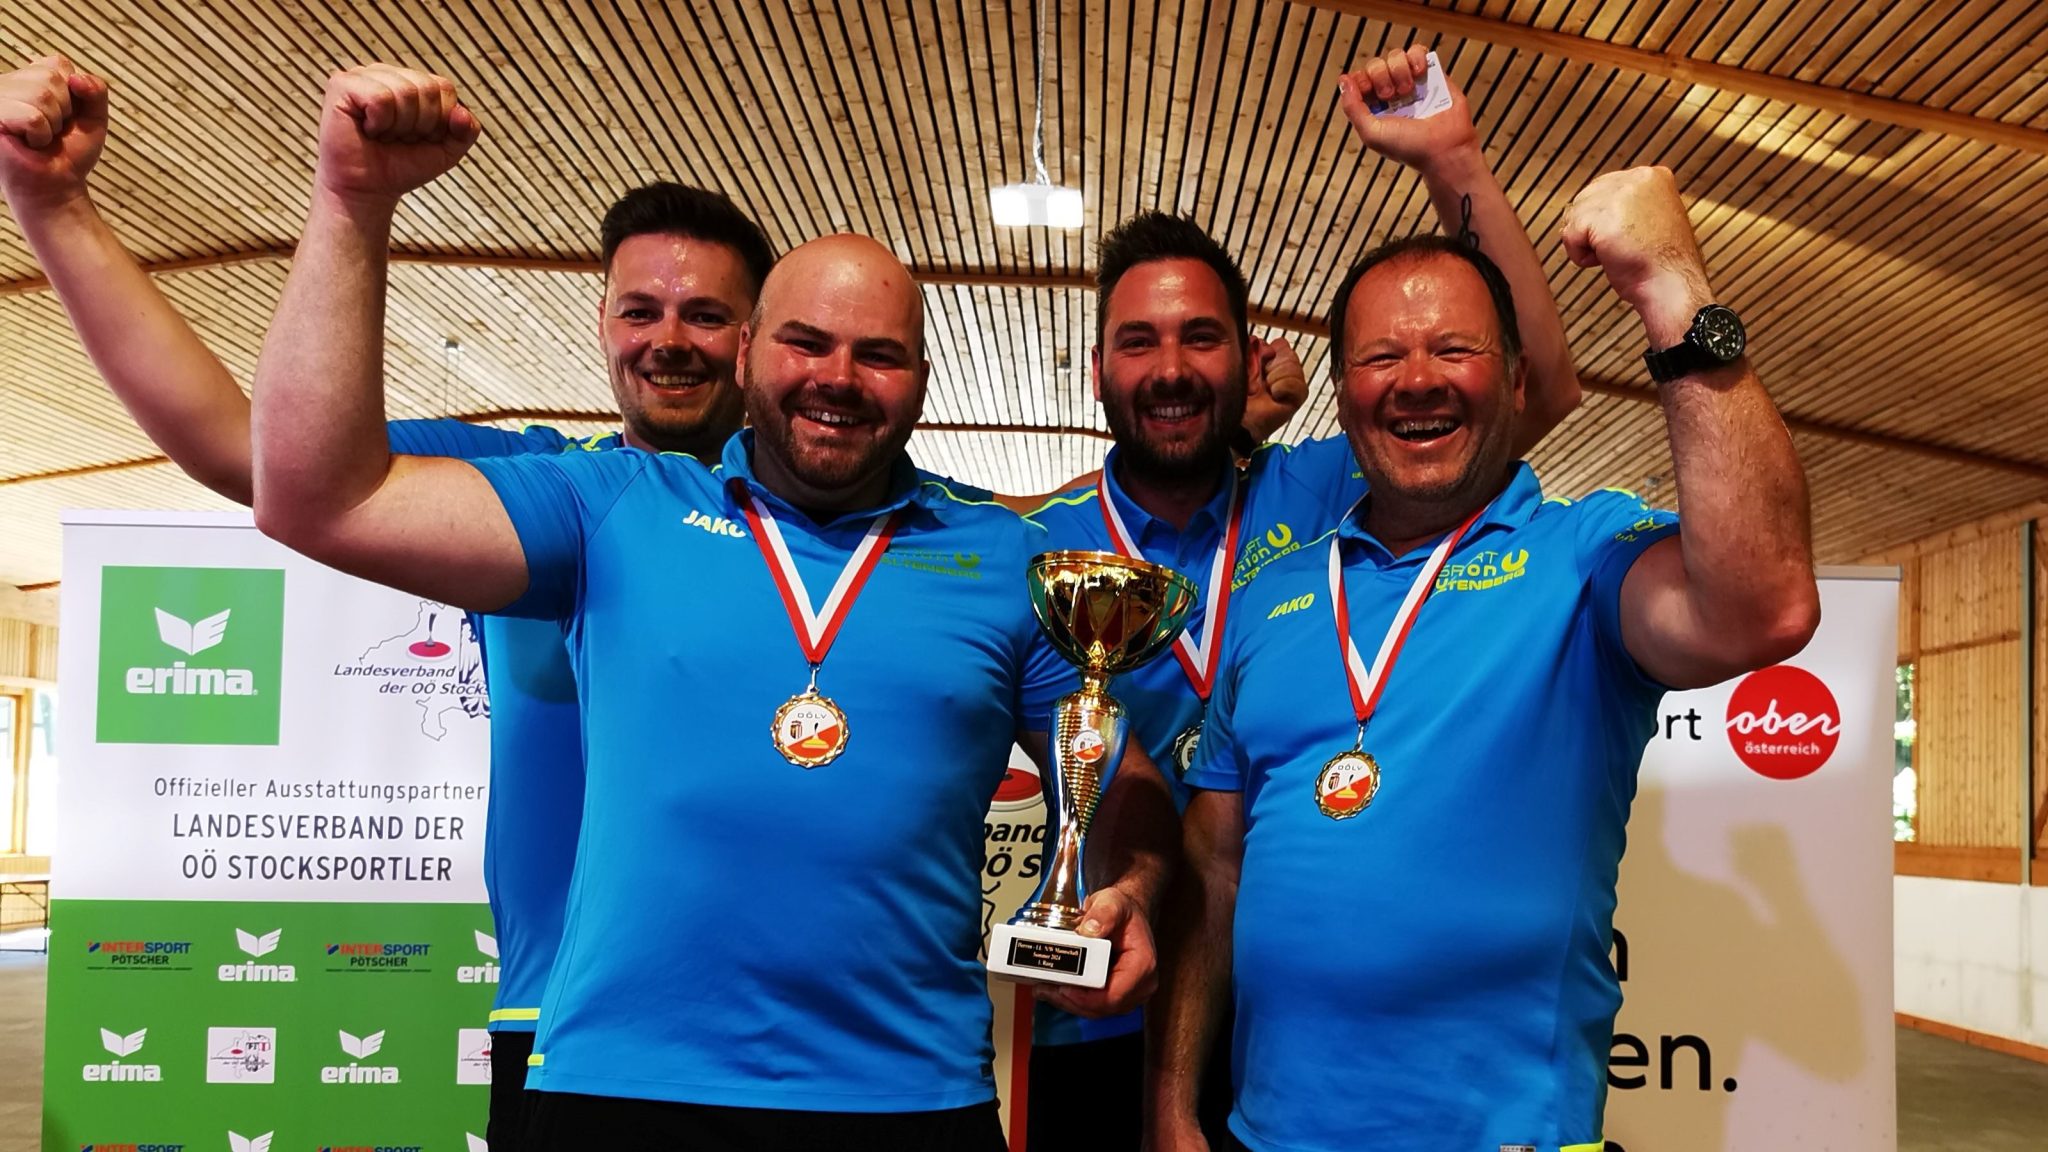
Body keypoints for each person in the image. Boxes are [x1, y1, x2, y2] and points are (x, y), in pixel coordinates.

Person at [245, 65, 1172, 1149]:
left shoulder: (1002, 560)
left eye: (879, 355)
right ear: (746, 352)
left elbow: (1124, 783)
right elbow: (315, 496)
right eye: (805, 342)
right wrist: (352, 203)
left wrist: (1130, 889)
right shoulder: (612, 505)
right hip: (620, 1092)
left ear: (922, 379)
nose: (838, 377)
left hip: (908, 1098)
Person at [0, 55, 772, 1148]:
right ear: (602, 320)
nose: (668, 339)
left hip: (795, 1043)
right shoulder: (534, 492)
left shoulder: (835, 529)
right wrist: (54, 205)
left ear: (758, 336)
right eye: (640, 309)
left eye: (706, 314)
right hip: (566, 1026)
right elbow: (237, 450)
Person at [1155, 165, 1821, 1152]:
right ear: (1343, 395)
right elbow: (1213, 872)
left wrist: (1669, 288)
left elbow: (1764, 606)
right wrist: (1171, 1105)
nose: (1417, 378)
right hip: (1266, 1135)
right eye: (1381, 356)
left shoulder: (1582, 556)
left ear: (1513, 381)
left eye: (1453, 349)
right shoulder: (1270, 595)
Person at [1026, 45, 1584, 1150]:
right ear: (1096, 371)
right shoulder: (1040, 549)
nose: (1170, 367)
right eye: (1138, 342)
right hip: (1092, 985)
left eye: (1201, 338)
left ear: (1249, 359)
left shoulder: (1327, 487)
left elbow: (1541, 388)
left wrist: (1452, 164)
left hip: (1279, 1007)